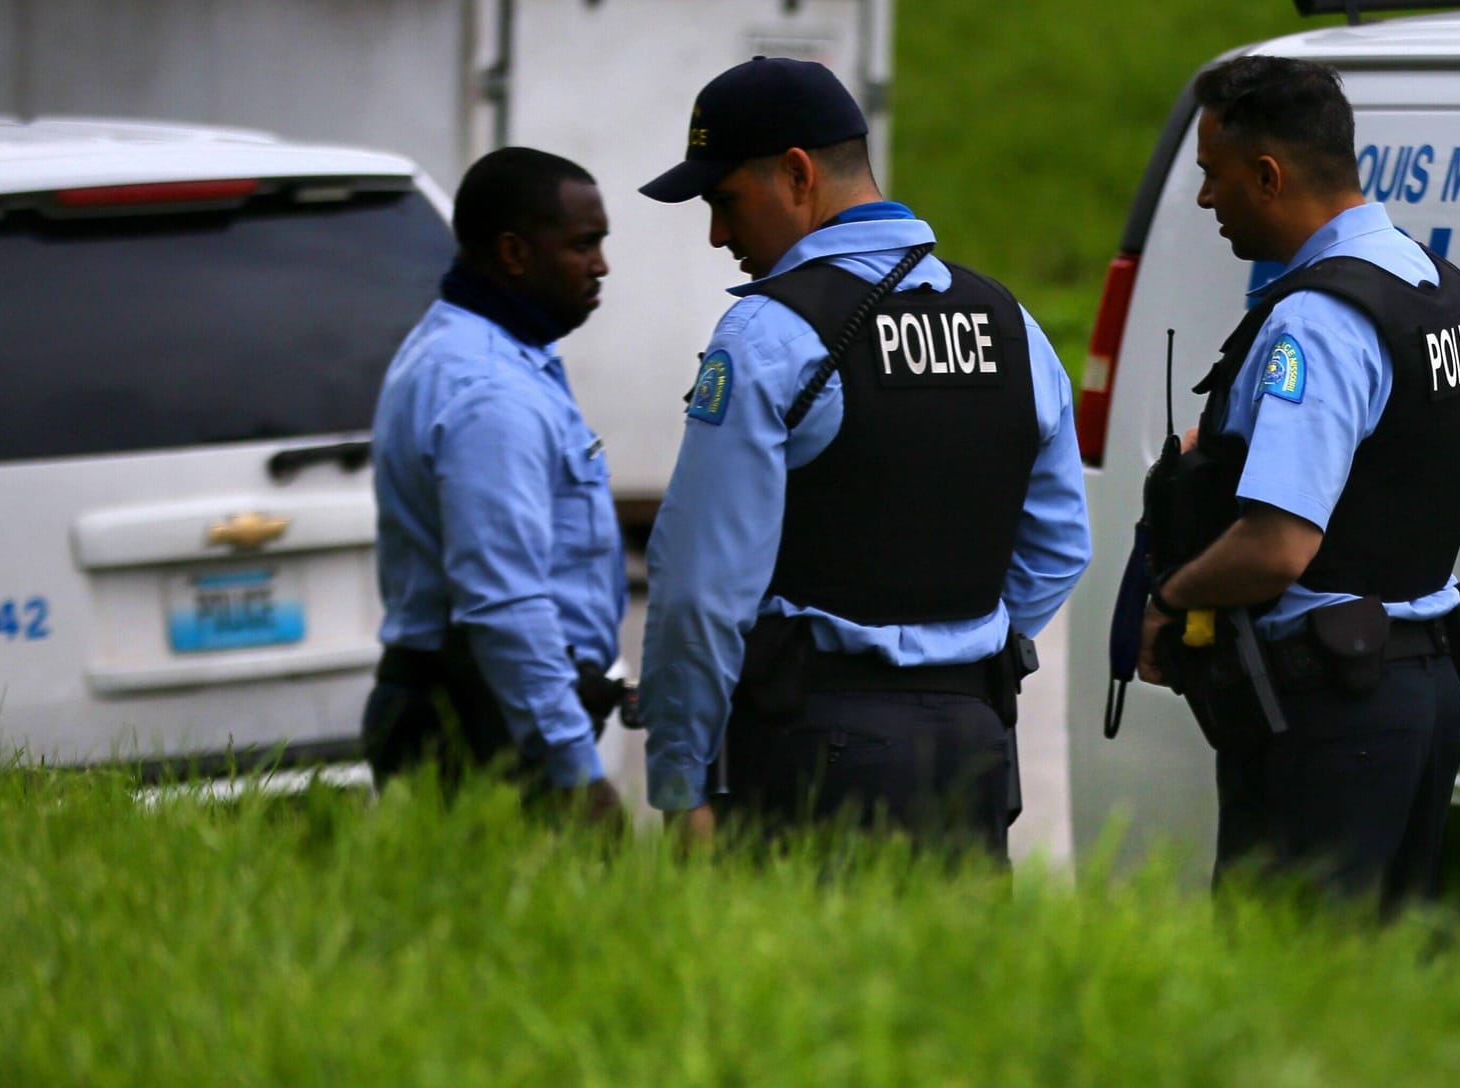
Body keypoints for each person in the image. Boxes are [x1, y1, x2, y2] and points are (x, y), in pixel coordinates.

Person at [637, 57, 1090, 858]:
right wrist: (958, 656)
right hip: (972, 745)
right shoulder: (1009, 322)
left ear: (797, 174)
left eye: (724, 199)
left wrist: (684, 782)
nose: (717, 234)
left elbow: (701, 587)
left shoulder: (767, 334)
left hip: (818, 750)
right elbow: (1059, 544)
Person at [1137, 55, 1460, 904]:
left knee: (1283, 991)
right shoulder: (1437, 287)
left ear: (1268, 175)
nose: (1204, 200)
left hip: (1334, 713)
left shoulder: (1320, 321)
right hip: (1420, 688)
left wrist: (1170, 599)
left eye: (1212, 177)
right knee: (1370, 993)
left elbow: (1278, 545)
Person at [362, 146, 627, 827]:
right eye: (583, 244)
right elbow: (504, 603)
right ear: (513, 253)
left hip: (487, 715)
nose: (601, 265)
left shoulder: (485, 349)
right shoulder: (488, 390)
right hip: (481, 731)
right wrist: (575, 773)